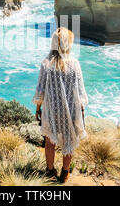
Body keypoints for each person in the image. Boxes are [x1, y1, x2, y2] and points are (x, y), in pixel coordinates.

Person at [33, 27, 88, 183]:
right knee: (68, 139)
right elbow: (80, 90)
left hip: (51, 109)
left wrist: (38, 108)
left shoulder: (46, 64)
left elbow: (40, 90)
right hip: (70, 110)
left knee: (49, 142)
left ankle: (50, 170)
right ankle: (65, 172)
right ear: (67, 44)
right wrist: (82, 109)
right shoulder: (75, 64)